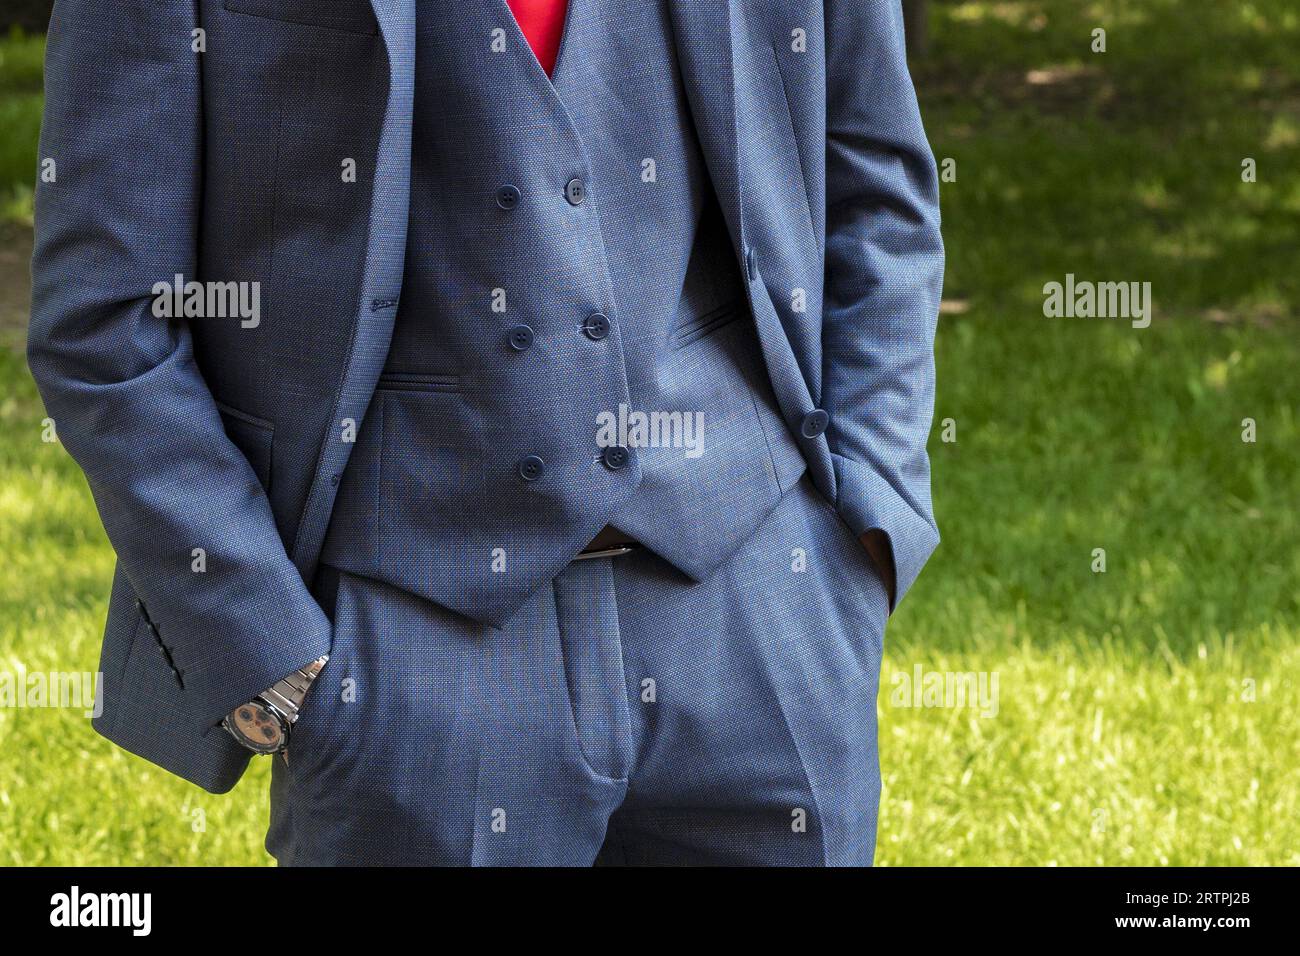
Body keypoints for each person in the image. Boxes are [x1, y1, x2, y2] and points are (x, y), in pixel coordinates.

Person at [28, 0, 943, 865]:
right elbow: (110, 319)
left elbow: (877, 187)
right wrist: (268, 647)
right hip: (405, 646)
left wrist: (867, 528)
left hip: (759, 612)